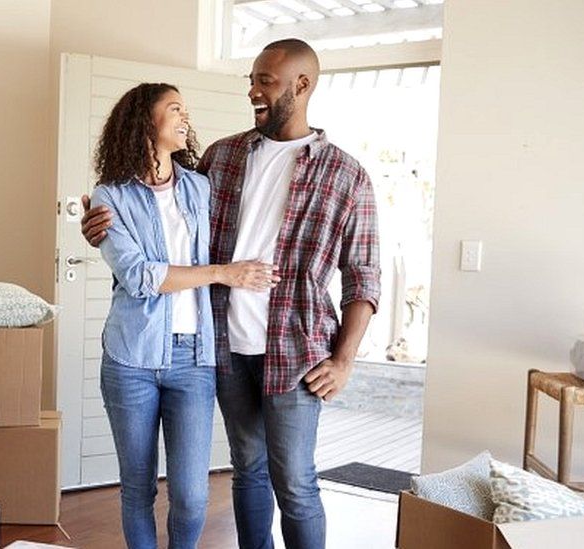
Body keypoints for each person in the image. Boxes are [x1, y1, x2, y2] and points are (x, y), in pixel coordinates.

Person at [82, 39, 381, 549]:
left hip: (296, 352)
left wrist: (345, 359)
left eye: (265, 80)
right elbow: (161, 215)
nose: (252, 91)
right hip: (219, 348)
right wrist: (98, 228)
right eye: (252, 79)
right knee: (248, 470)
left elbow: (364, 274)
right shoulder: (222, 157)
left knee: (297, 483)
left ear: (301, 85)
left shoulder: (345, 174)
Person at [90, 82, 280, 549]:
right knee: (136, 489)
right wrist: (221, 273)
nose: (185, 117)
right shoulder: (109, 195)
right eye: (175, 108)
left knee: (193, 495)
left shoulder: (199, 187)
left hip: (193, 360)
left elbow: (243, 231)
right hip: (130, 358)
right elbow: (138, 277)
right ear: (144, 120)